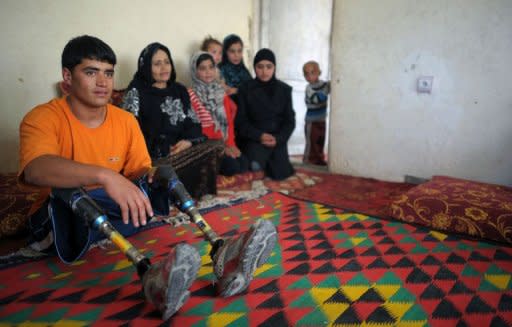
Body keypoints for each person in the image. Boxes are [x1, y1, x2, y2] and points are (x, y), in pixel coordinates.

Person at [18, 35, 277, 320]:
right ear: (67, 77)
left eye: (108, 73)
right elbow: (35, 169)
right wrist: (106, 177)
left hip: (111, 215)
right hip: (62, 223)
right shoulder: (42, 117)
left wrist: (150, 177)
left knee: (163, 173)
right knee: (69, 192)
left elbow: (142, 170)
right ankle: (150, 275)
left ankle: (221, 250)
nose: (103, 82)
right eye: (91, 72)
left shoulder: (124, 121)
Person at [121, 42, 223, 199]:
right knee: (160, 169)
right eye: (157, 64)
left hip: (180, 152)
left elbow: (193, 123)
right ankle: (169, 191)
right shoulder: (136, 92)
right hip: (152, 158)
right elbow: (129, 134)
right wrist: (161, 149)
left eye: (167, 62)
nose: (164, 68)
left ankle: (182, 190)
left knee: (215, 145)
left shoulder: (179, 90)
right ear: (146, 67)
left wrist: (188, 142)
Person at [235, 48, 295, 180]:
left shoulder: (284, 90)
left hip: (276, 139)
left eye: (269, 67)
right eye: (260, 67)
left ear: (274, 67)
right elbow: (241, 121)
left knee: (281, 173)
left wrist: (278, 139)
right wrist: (259, 135)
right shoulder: (245, 89)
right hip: (254, 138)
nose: (264, 71)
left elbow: (290, 120)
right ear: (254, 68)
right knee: (255, 166)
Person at [188, 51, 249, 176]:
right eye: (202, 68)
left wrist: (231, 145)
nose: (208, 72)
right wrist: (221, 148)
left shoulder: (220, 93)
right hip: (205, 147)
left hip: (223, 143)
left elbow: (229, 124)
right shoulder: (191, 95)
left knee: (244, 164)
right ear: (195, 71)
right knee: (232, 167)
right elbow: (197, 131)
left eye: (211, 67)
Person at [303, 60, 329, 166]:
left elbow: (334, 86)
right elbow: (317, 99)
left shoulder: (324, 85)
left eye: (312, 72)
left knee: (320, 140)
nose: (309, 76)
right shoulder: (309, 88)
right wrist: (324, 94)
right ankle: (308, 160)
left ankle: (319, 159)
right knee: (312, 141)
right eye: (306, 74)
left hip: (322, 119)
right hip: (311, 121)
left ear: (319, 72)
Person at [218, 34, 252, 100]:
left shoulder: (244, 71)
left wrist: (237, 90)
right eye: (232, 51)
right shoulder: (218, 71)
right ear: (225, 52)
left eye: (239, 51)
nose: (236, 55)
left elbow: (253, 89)